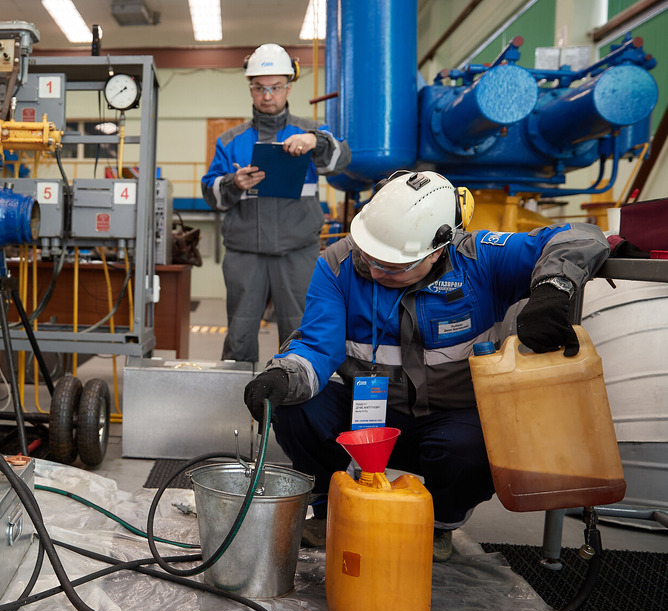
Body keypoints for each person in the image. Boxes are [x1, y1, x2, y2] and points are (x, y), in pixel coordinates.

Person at [242, 170, 609, 561]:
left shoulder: (480, 259)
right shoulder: (339, 264)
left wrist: (553, 289)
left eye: (393, 266)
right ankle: (329, 510)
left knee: (476, 447)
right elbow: (318, 345)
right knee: (297, 409)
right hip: (368, 418)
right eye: (370, 256)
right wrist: (285, 375)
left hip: (452, 420)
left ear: (438, 249)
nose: (375, 270)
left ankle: (438, 524)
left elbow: (583, 236)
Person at [201, 43, 351, 364]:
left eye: (276, 87)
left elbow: (341, 160)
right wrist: (233, 183)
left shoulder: (309, 133)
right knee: (240, 335)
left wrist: (317, 140)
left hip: (297, 252)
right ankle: (238, 404)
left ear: (288, 88)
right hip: (245, 254)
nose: (268, 96)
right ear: (250, 88)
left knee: (300, 333)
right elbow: (210, 193)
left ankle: (296, 408)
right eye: (260, 88)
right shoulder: (230, 141)